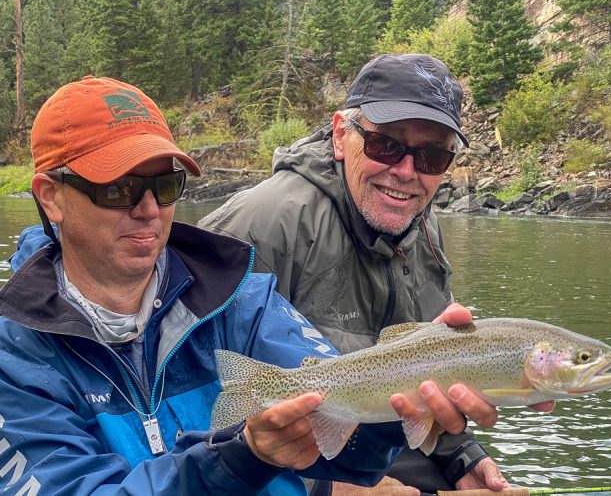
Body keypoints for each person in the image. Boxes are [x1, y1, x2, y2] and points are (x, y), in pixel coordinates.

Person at [0, 76, 485, 495]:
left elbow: (350, 454)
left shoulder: (242, 301)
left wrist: (407, 391)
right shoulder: (16, 359)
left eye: (164, 186)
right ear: (52, 198)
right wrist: (240, 457)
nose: (147, 208)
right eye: (117, 189)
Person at [199, 54, 555, 495]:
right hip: (281, 471)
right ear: (339, 136)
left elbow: (425, 368)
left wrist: (461, 457)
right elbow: (191, 422)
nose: (406, 172)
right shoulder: (260, 225)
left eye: (431, 156)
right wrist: (339, 490)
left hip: (378, 443)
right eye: (386, 145)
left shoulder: (420, 228)